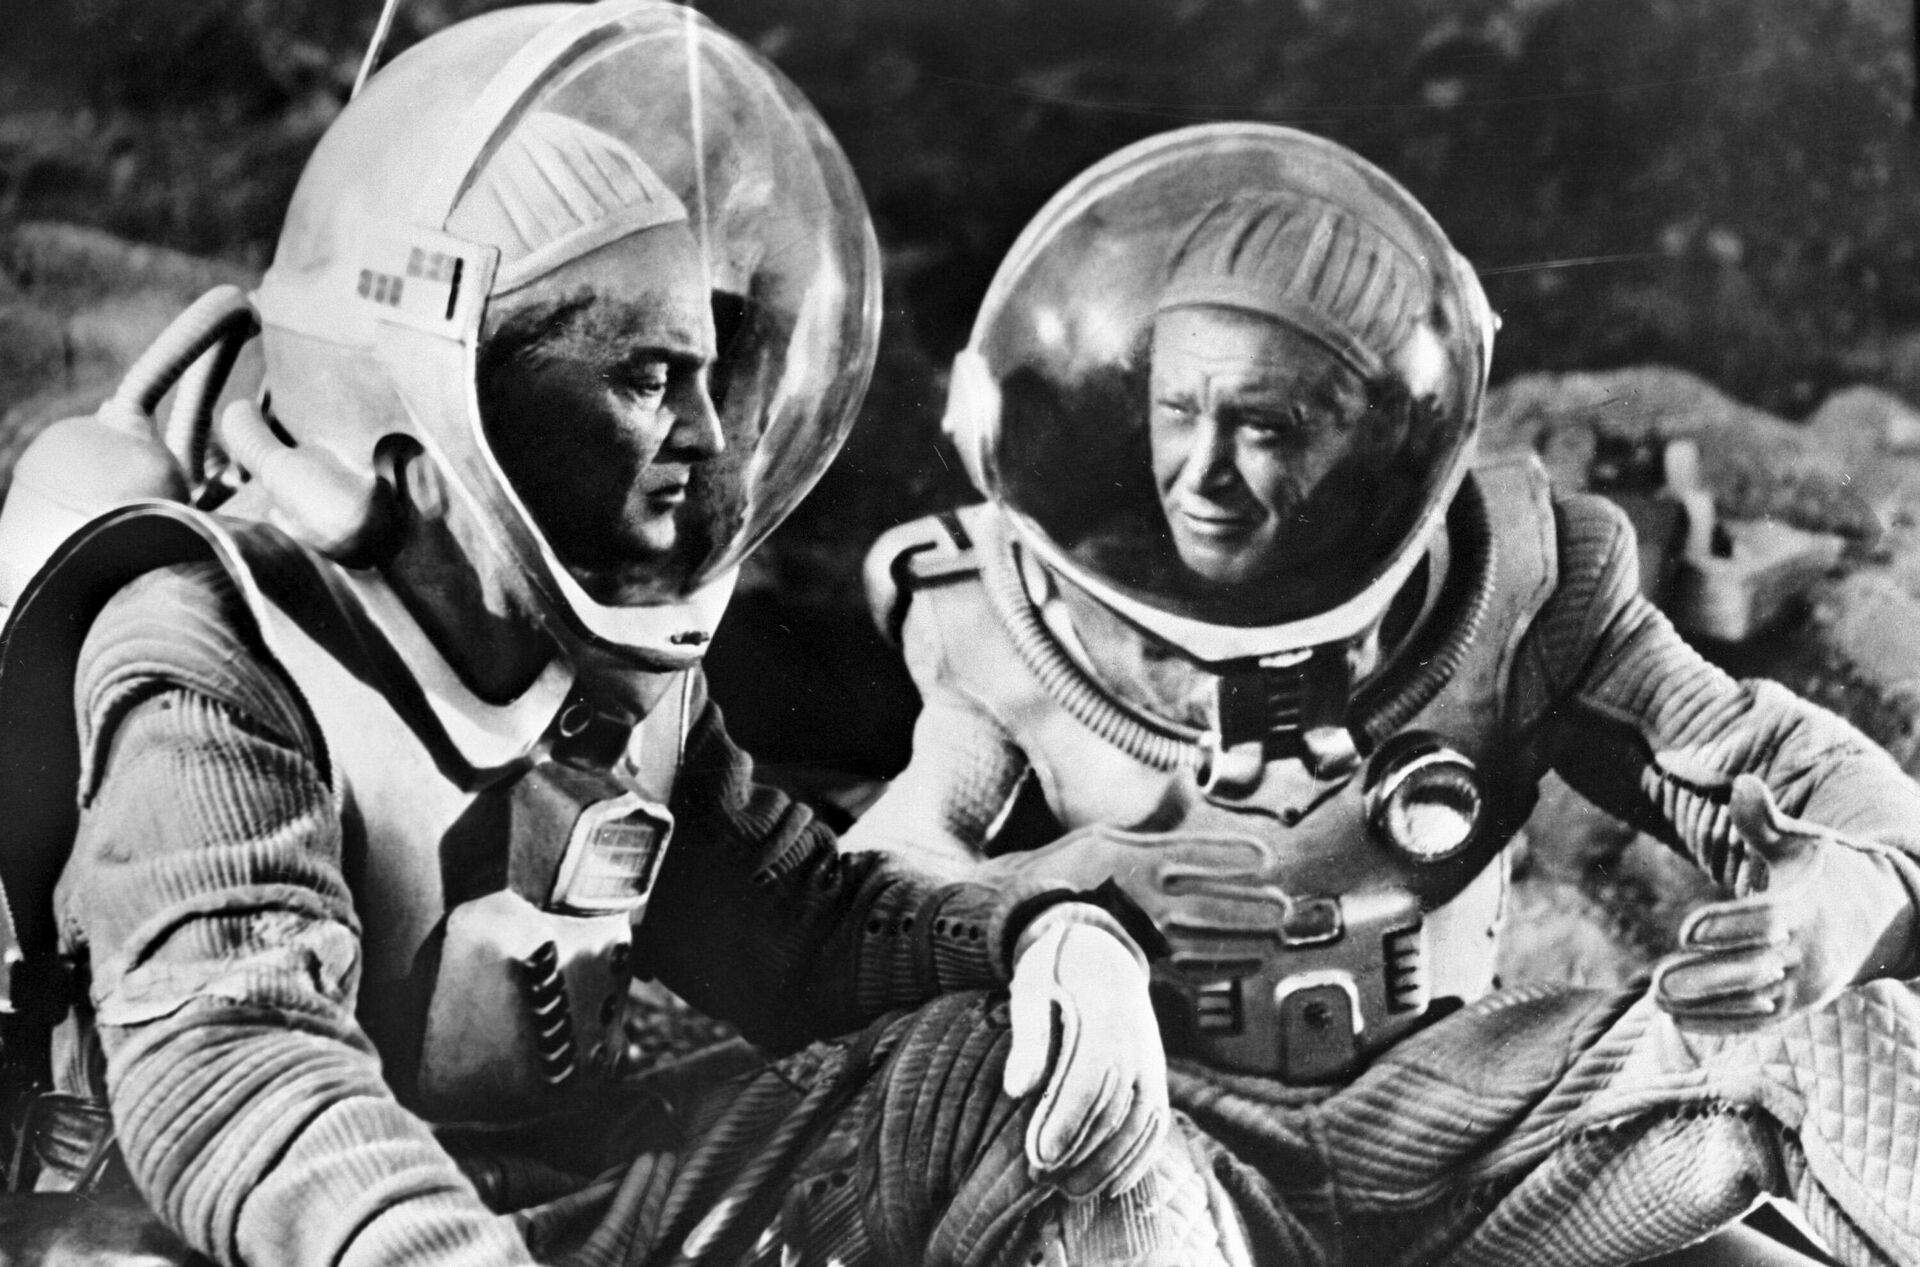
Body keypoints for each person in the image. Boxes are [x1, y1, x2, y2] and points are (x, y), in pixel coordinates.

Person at [0, 6, 1206, 1264]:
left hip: (547, 1202)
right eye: (644, 379)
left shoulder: (614, 680)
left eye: (708, 375)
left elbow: (807, 933)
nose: (710, 436)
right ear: (446, 398)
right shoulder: (215, 655)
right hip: (245, 1235)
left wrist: (1041, 936)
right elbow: (240, 1076)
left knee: (1002, 1068)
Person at [848, 122, 1920, 1266]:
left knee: (1839, 1031)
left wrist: (1841, 906)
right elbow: (869, 888)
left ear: (1382, 438)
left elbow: (1820, 783)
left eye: (1266, 425)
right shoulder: (1003, 618)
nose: (1203, 474)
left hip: (1470, 1130)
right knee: (1091, 1166)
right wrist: (1046, 922)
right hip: (1181, 1144)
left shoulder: (1525, 589)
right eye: (1178, 411)